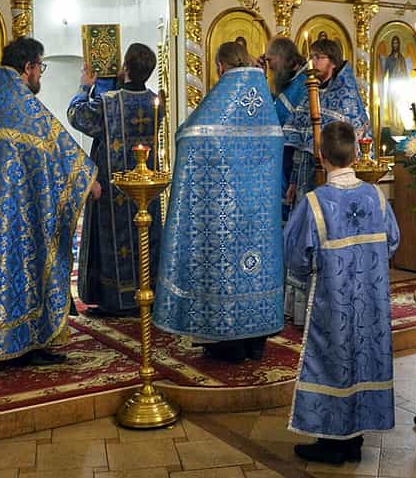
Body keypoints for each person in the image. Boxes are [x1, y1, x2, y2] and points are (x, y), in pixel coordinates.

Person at [0, 37, 99, 365]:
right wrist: (88, 179)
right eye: (40, 68)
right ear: (28, 67)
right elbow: (58, 142)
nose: (40, 76)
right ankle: (21, 343)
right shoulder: (21, 104)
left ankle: (1, 340)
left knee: (1, 271)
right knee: (24, 270)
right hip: (21, 216)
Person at [153, 42, 284, 363]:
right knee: (257, 270)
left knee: (226, 271)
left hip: (225, 213)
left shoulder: (224, 99)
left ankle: (228, 345)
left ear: (221, 68)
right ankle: (256, 340)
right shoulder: (262, 100)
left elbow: (191, 136)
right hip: (260, 215)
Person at [285, 121, 400, 464]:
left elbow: (295, 253)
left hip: (331, 300)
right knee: (364, 354)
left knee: (331, 359)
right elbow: (392, 241)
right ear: (354, 154)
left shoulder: (315, 202)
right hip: (372, 300)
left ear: (321, 157)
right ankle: (355, 438)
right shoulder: (376, 196)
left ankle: (331, 443)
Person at [67, 43, 163, 317]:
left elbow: (78, 116)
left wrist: (84, 87)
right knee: (144, 235)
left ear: (125, 68)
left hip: (114, 185)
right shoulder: (156, 102)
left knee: (113, 240)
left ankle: (115, 301)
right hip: (146, 186)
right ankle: (146, 294)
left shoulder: (110, 103)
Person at [281, 38, 371, 326]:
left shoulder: (346, 94)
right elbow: (301, 141)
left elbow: (350, 140)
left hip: (331, 177)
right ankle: (301, 309)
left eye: (319, 57)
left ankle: (324, 305)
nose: (314, 63)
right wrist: (294, 179)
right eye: (312, 57)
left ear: (332, 61)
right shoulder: (313, 90)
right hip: (308, 172)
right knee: (303, 235)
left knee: (325, 236)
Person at [262, 37, 308, 221]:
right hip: (286, 160)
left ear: (281, 58)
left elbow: (272, 119)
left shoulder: (302, 84)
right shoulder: (293, 83)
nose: (270, 67)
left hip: (294, 163)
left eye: (270, 60)